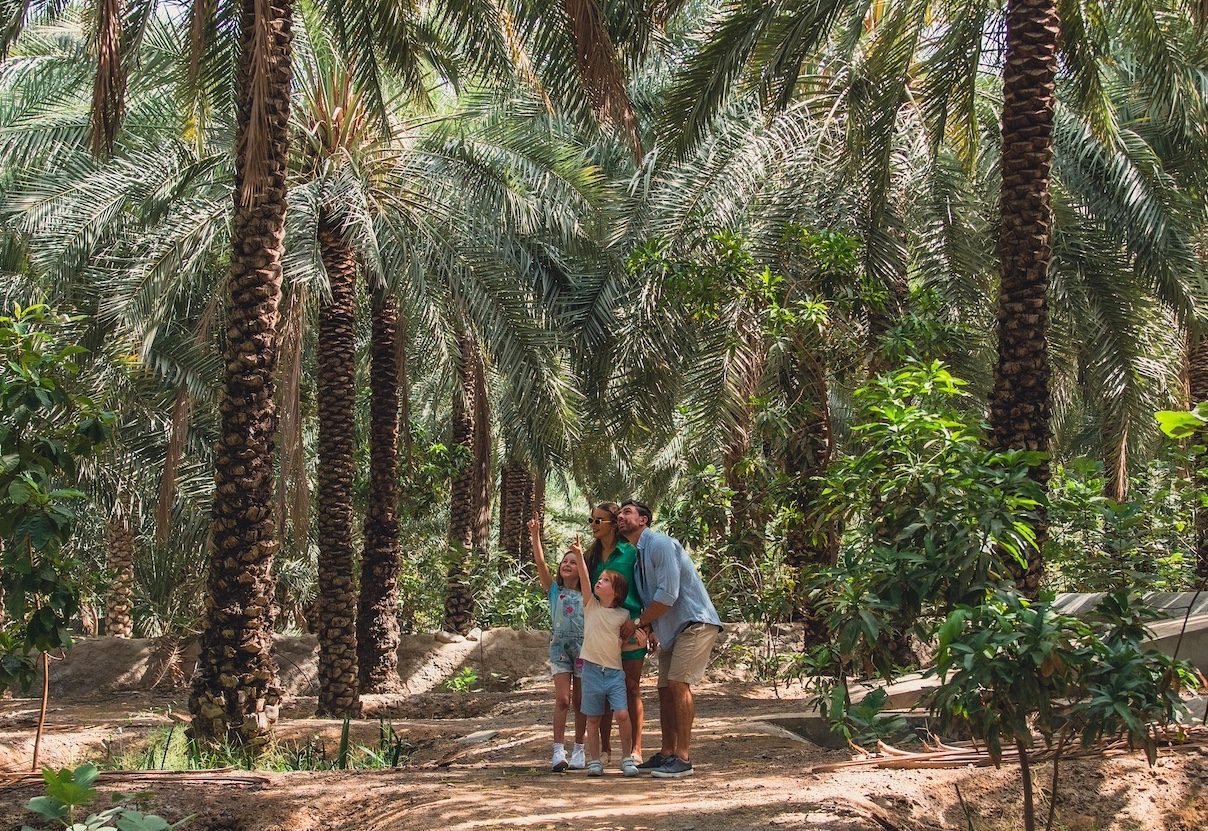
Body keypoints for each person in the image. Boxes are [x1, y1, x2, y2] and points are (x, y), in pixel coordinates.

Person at [616, 499, 722, 779]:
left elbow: (667, 595)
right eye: (619, 513)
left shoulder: (660, 544)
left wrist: (640, 623)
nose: (620, 516)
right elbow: (653, 598)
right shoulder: (638, 556)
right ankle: (666, 753)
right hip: (672, 632)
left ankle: (683, 759)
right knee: (664, 690)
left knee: (678, 684)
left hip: (694, 622)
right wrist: (651, 630)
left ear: (644, 520)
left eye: (627, 512)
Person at [570, 534, 644, 777]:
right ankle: (595, 761)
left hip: (614, 673)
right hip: (591, 671)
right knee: (592, 717)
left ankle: (627, 759)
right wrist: (580, 555)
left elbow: (622, 645)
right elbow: (583, 577)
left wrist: (642, 641)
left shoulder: (623, 616)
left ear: (616, 591)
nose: (598, 581)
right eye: (598, 579)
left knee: (622, 714)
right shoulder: (590, 605)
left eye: (604, 580)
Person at [582, 502, 646, 764]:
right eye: (592, 520)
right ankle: (604, 749)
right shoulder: (591, 557)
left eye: (599, 521)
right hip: (600, 634)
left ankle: (636, 750)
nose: (594, 526)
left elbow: (645, 588)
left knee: (630, 687)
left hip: (629, 627)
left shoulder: (632, 553)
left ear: (612, 524)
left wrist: (646, 625)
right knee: (600, 690)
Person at [528, 517, 587, 772]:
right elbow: (541, 563)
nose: (567, 564)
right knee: (563, 699)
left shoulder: (588, 593)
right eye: (564, 561)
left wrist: (580, 555)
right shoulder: (554, 591)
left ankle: (580, 749)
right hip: (559, 651)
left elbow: (586, 574)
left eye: (573, 562)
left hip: (585, 650)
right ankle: (557, 750)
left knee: (581, 701)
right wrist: (535, 535)